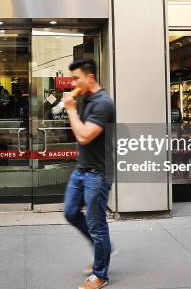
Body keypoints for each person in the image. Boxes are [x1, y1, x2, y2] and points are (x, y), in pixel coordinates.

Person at [62, 58, 115, 289]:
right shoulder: (86, 99)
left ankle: (100, 274)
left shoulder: (103, 103)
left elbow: (84, 136)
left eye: (76, 78)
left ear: (90, 77)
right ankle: (102, 246)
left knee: (96, 224)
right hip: (82, 169)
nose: (73, 82)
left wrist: (71, 110)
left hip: (98, 174)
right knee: (71, 212)